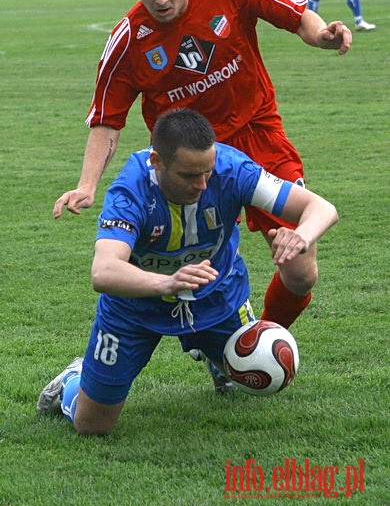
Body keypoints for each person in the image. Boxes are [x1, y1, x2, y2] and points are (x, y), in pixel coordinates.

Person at [53, 0, 351, 332]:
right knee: (194, 271)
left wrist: (321, 36)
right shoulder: (128, 41)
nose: (161, 0)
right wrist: (87, 185)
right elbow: (107, 118)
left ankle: (254, 344)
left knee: (300, 273)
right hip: (188, 161)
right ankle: (215, 347)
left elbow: (297, 16)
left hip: (257, 134)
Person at [39, 109, 338, 435]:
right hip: (135, 307)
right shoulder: (130, 191)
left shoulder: (232, 168)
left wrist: (301, 235)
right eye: (189, 176)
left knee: (250, 377)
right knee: (92, 427)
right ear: (157, 161)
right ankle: (73, 379)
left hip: (217, 296)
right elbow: (104, 271)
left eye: (207, 172)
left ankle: (218, 356)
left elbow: (322, 208)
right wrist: (167, 282)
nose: (202, 184)